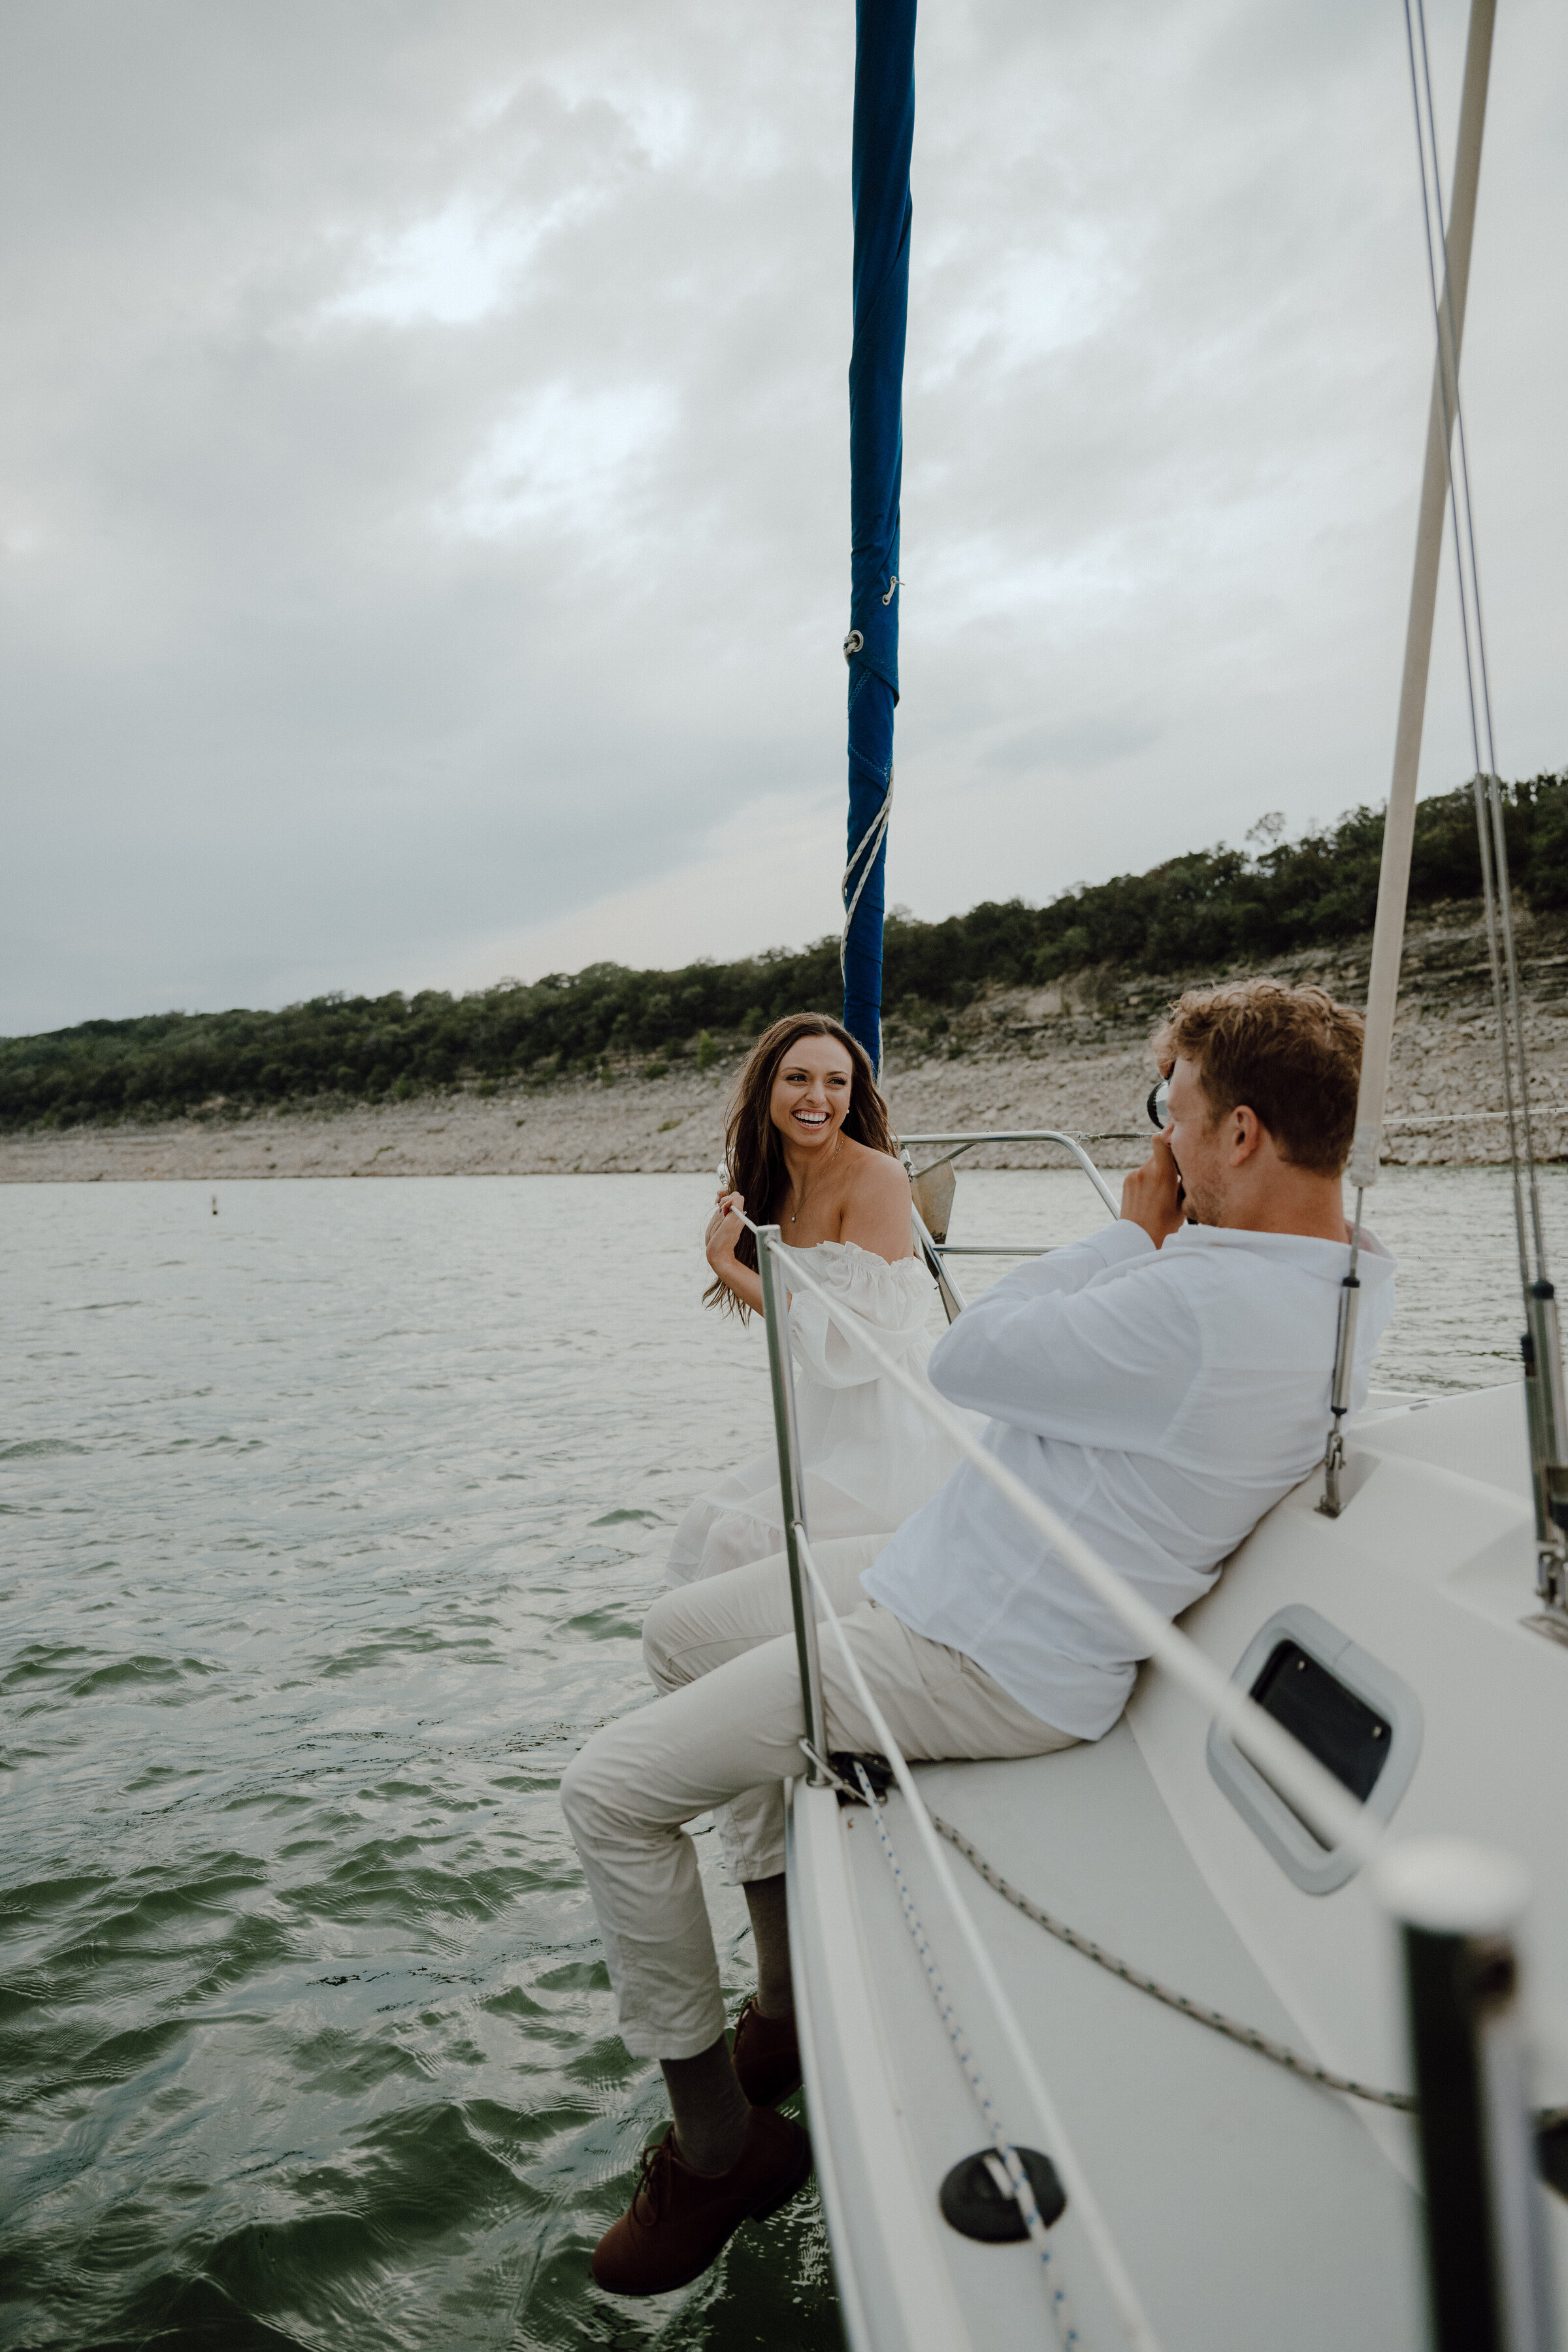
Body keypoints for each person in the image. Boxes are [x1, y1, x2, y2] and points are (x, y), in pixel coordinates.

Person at [561, 979, 1394, 2298]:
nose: (1153, 1148)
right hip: (947, 1567)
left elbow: (967, 1357)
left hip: (979, 1652)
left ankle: (720, 2151)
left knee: (606, 1794)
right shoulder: (1342, 1282)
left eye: (1165, 1110)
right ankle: (776, 2000)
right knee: (680, 1632)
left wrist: (1129, 1239)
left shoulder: (1191, 1298)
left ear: (1237, 1136)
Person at [666, 1011, 960, 1588]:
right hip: (826, 1415)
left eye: (836, 1081)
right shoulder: (760, 1178)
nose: (816, 1097)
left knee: (740, 1542)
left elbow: (855, 1346)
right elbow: (805, 1321)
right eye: (797, 1078)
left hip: (891, 1420)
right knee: (702, 1527)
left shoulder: (875, 1176)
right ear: (768, 1086)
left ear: (854, 1095)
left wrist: (728, 1266)